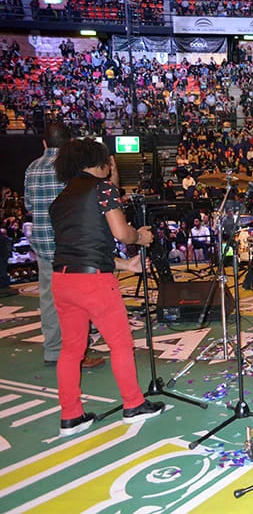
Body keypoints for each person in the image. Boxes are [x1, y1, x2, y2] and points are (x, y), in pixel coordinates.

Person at [49, 138, 164, 436]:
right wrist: (140, 237)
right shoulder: (102, 189)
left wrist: (126, 266)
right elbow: (121, 233)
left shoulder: (61, 199)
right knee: (120, 343)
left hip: (62, 280)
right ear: (101, 161)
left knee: (71, 349)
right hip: (95, 283)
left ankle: (71, 416)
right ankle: (133, 403)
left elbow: (83, 248)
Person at [24, 123, 104, 369]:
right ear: (69, 143)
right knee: (79, 302)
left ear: (44, 143)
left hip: (43, 244)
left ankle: (53, 351)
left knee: (49, 299)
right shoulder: (70, 169)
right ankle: (78, 352)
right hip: (70, 244)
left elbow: (28, 205)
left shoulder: (32, 168)